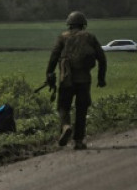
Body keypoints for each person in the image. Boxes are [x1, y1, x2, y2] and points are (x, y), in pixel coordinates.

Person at [45, 11, 107, 150]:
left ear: (69, 24)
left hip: (66, 79)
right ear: (83, 24)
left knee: (62, 106)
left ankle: (66, 126)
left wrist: (49, 74)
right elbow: (102, 58)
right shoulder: (90, 37)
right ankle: (78, 141)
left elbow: (54, 56)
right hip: (84, 80)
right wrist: (101, 78)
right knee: (81, 110)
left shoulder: (63, 37)